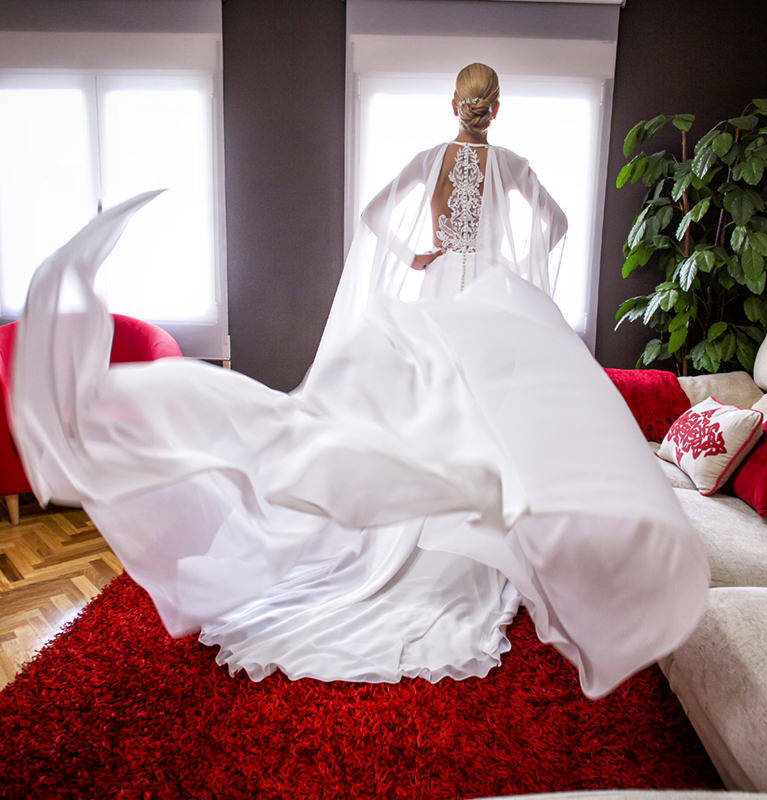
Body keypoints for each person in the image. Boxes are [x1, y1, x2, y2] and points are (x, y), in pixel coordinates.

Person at [9, 64, 709, 699]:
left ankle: (423, 538)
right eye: (479, 101)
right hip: (483, 304)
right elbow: (553, 227)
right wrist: (510, 267)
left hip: (439, 292)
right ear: (489, 107)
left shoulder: (435, 159)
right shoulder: (512, 164)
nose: (479, 110)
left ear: (471, 106)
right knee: (468, 420)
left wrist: (420, 254)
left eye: (478, 101)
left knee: (423, 420)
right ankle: (458, 548)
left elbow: (378, 217)